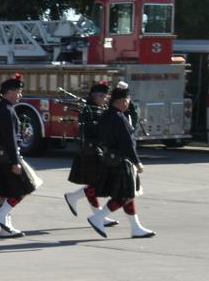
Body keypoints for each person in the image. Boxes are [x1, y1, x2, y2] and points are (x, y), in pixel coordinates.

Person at [87, 85, 155, 238]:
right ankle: (97, 218)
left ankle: (135, 227)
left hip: (109, 159)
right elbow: (127, 143)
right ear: (123, 101)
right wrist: (137, 162)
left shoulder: (105, 115)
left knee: (128, 195)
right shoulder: (120, 118)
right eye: (128, 101)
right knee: (125, 196)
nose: (128, 104)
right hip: (122, 161)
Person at [0, 74, 43, 238]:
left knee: (5, 191)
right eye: (18, 92)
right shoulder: (7, 110)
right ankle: (1, 215)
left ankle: (5, 228)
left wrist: (19, 135)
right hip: (9, 157)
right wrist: (15, 162)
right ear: (9, 92)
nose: (20, 95)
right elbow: (9, 138)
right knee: (24, 188)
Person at [64, 82, 118, 227]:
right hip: (90, 151)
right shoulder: (88, 110)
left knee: (94, 183)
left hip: (96, 150)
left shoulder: (99, 108)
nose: (106, 99)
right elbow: (91, 130)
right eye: (104, 96)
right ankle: (78, 200)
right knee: (97, 183)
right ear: (96, 96)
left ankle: (95, 212)